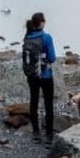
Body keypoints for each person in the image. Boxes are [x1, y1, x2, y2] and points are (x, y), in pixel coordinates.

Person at [22, 11, 56, 145]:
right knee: (48, 104)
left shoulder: (28, 36)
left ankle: (36, 133)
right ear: (41, 23)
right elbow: (52, 58)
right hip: (46, 75)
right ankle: (49, 136)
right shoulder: (46, 37)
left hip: (32, 76)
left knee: (34, 101)